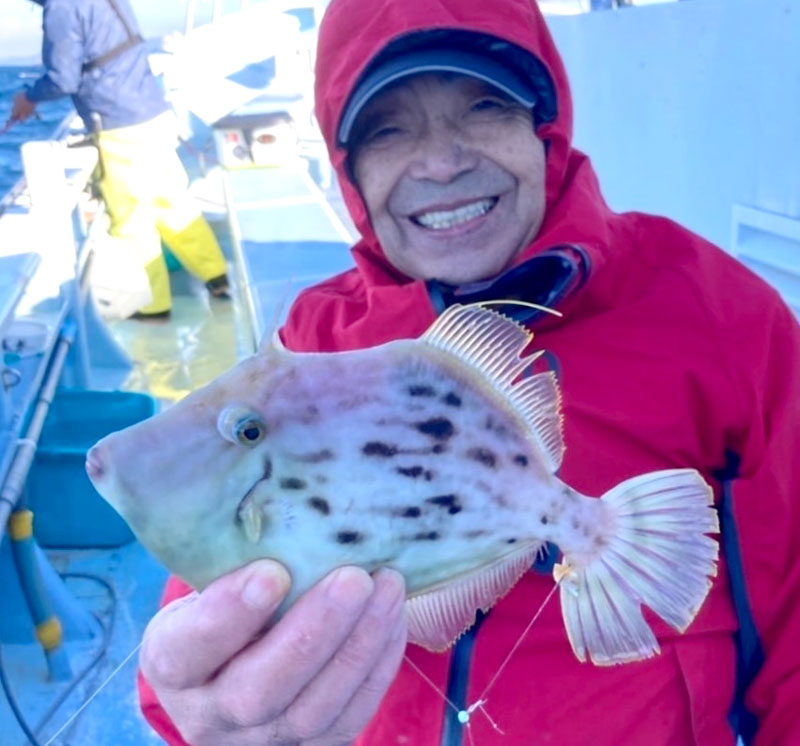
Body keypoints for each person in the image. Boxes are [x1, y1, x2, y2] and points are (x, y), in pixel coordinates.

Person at [136, 0, 800, 743]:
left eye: (484, 107)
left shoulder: (712, 310)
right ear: (350, 169)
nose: (442, 161)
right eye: (388, 129)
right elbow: (209, 625)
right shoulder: (312, 343)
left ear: (543, 127)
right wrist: (210, 705)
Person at [7, 0, 230, 319]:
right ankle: (216, 277)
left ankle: (152, 305)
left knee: (131, 218)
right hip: (152, 112)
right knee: (172, 203)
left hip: (119, 125)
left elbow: (63, 78)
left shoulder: (62, 7)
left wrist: (28, 97)